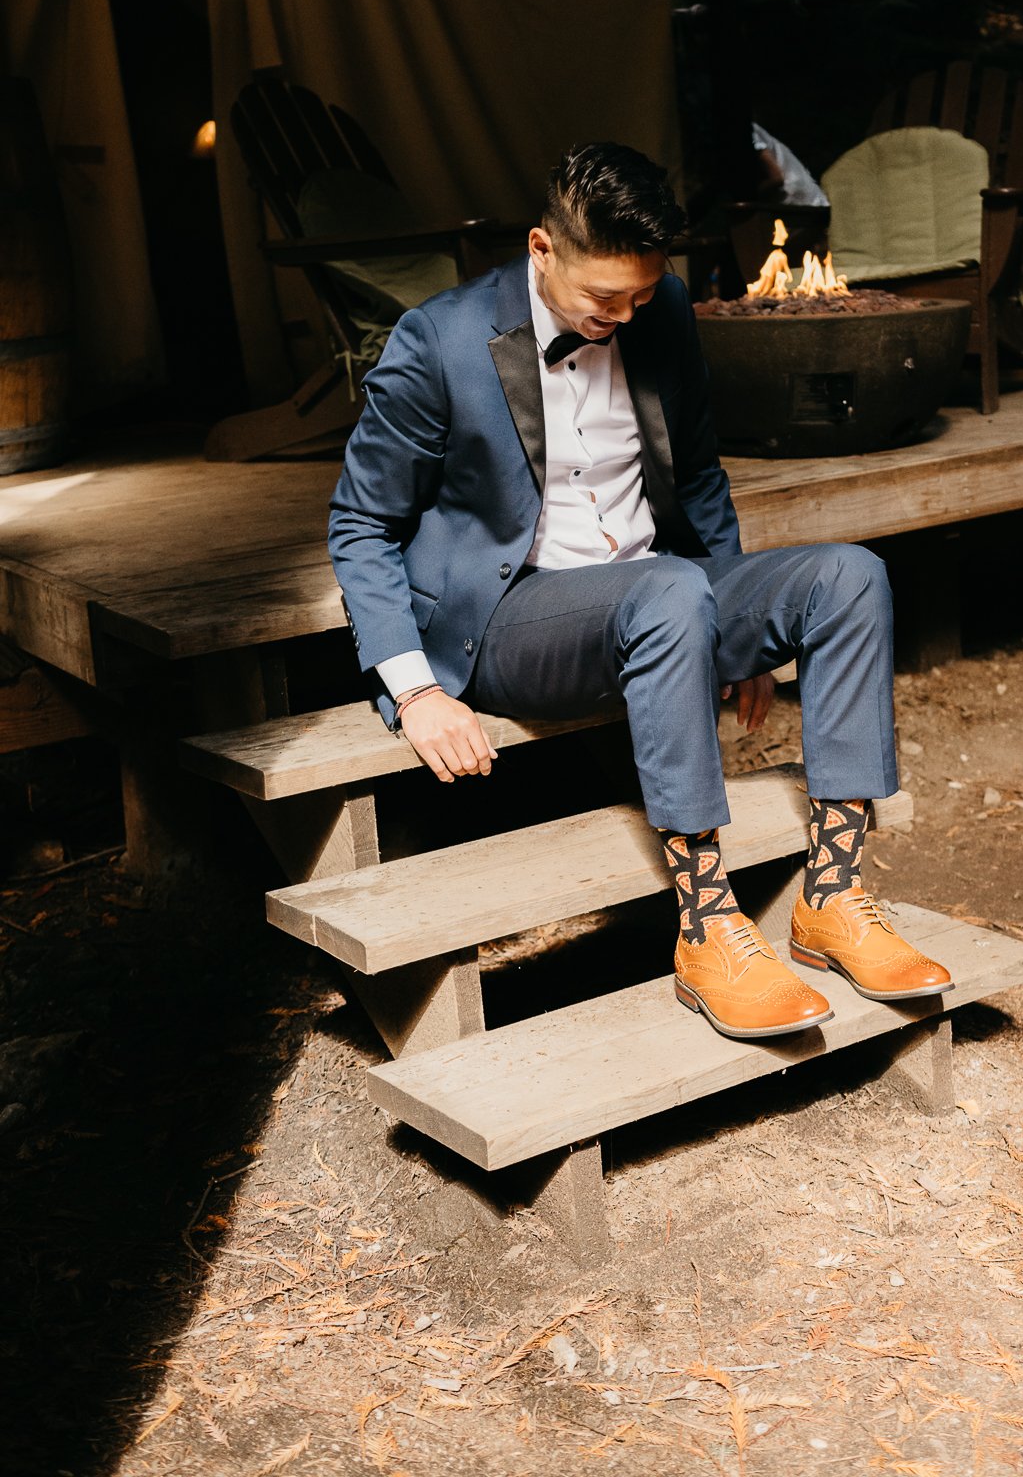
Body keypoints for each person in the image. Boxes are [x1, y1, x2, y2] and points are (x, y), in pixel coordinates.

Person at [329, 142, 951, 1041]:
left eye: (639, 296)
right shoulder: (439, 342)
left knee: (850, 575)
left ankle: (833, 897)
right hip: (517, 620)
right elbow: (359, 524)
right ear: (542, 249)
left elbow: (696, 476)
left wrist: (742, 632)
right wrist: (414, 688)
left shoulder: (658, 317)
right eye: (600, 300)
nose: (621, 318)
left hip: (671, 597)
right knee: (664, 593)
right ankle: (705, 928)